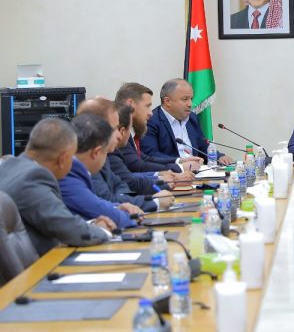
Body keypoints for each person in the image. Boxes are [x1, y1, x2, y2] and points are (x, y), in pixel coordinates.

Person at [0, 118, 112, 256]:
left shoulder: (8, 166)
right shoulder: (33, 178)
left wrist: (91, 224)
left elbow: (54, 219)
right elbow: (67, 229)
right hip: (40, 266)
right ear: (62, 159)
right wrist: (103, 231)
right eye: (72, 158)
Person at [77, 97, 174, 212]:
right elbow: (109, 199)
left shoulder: (102, 154)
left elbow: (120, 185)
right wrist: (153, 201)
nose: (119, 135)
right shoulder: (85, 160)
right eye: (115, 128)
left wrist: (133, 200)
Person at [59, 114, 137, 230]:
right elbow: (94, 207)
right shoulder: (68, 175)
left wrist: (117, 208)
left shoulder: (76, 170)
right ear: (96, 153)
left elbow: (96, 204)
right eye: (105, 153)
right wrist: (130, 215)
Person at [141, 78, 234, 165]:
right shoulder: (151, 121)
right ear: (167, 101)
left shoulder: (192, 118)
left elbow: (202, 147)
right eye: (185, 99)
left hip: (196, 171)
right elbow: (151, 155)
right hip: (172, 173)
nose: (190, 104)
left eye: (191, 99)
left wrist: (219, 157)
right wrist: (180, 162)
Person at [114, 82, 200, 174]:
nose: (151, 113)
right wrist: (180, 168)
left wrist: (179, 161)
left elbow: (144, 158)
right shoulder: (117, 131)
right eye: (147, 106)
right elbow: (137, 166)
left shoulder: (128, 131)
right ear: (130, 104)